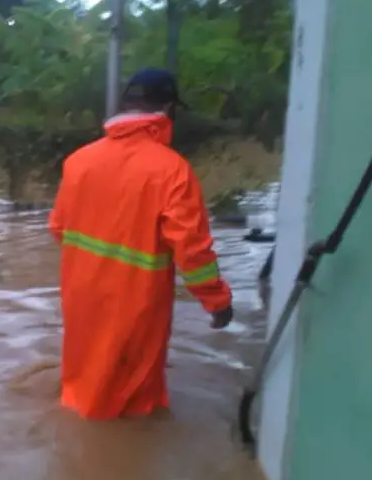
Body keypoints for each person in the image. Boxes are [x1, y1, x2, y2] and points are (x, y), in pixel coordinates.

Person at [48, 67, 233, 420]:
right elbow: (193, 253)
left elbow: (58, 227)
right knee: (133, 400)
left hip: (81, 295)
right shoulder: (172, 171)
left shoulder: (79, 161)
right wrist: (217, 301)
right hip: (137, 302)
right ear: (166, 110)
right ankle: (122, 461)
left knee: (83, 379)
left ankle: (80, 449)